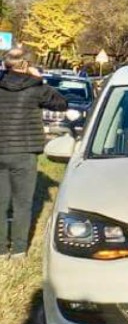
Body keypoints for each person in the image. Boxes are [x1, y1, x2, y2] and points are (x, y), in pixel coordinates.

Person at [0, 48, 68, 259]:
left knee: (1, 203)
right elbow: (61, 104)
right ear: (26, 65)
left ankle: (1, 249)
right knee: (23, 203)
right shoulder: (36, 88)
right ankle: (19, 249)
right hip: (25, 151)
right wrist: (40, 80)